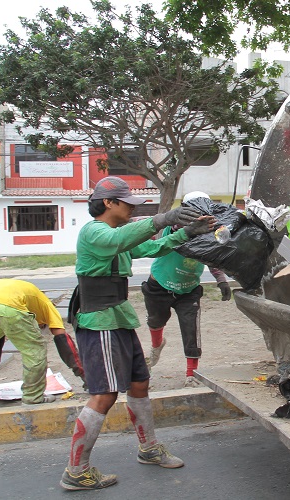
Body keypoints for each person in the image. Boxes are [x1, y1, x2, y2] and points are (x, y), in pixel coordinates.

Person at [61, 176, 216, 491]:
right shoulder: (94, 232)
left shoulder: (118, 236)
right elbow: (121, 241)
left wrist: (185, 232)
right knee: (104, 394)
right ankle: (76, 470)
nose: (132, 210)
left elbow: (154, 246)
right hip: (98, 321)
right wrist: (163, 219)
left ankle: (148, 448)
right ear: (108, 203)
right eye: (127, 204)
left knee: (139, 383)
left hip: (117, 317)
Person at [142, 191, 232, 388]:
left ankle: (191, 374)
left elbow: (212, 256)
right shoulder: (173, 229)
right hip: (160, 284)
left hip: (188, 289)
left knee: (191, 330)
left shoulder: (209, 232)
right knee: (155, 321)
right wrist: (187, 223)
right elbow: (174, 230)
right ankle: (156, 346)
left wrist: (221, 280)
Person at [0, 278, 81, 409]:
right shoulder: (48, 307)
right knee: (35, 351)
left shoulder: (29, 298)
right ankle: (33, 397)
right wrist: (83, 373)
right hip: (9, 306)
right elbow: (64, 342)